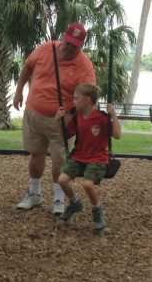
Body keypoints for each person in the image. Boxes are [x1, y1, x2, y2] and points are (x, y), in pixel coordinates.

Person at [13, 22, 95, 215]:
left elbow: (89, 99)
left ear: (81, 45)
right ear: (64, 38)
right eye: (68, 42)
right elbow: (27, 67)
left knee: (60, 161)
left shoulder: (85, 67)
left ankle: (58, 200)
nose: (69, 48)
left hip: (61, 121)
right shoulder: (45, 48)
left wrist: (78, 118)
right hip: (33, 114)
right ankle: (34, 194)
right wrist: (18, 92)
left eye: (75, 45)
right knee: (36, 153)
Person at [54, 83, 121, 232]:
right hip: (79, 156)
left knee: (87, 185)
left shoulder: (102, 118)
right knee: (62, 180)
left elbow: (117, 135)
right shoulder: (77, 117)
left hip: (98, 158)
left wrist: (114, 115)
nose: (73, 101)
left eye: (76, 98)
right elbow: (65, 136)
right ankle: (74, 203)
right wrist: (59, 121)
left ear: (87, 100)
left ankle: (98, 212)